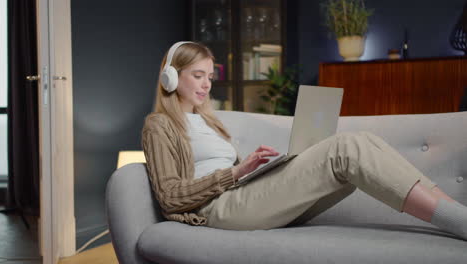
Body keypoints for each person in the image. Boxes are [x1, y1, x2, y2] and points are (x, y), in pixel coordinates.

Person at [142, 41, 467, 240]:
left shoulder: (211, 121)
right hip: (218, 211)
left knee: (363, 141)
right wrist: (238, 173)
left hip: (242, 196)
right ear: (170, 76)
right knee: (346, 149)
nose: (206, 85)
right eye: (198, 76)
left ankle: (457, 213)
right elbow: (170, 196)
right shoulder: (159, 125)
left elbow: (231, 174)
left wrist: (259, 168)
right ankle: (457, 221)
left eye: (210, 77)